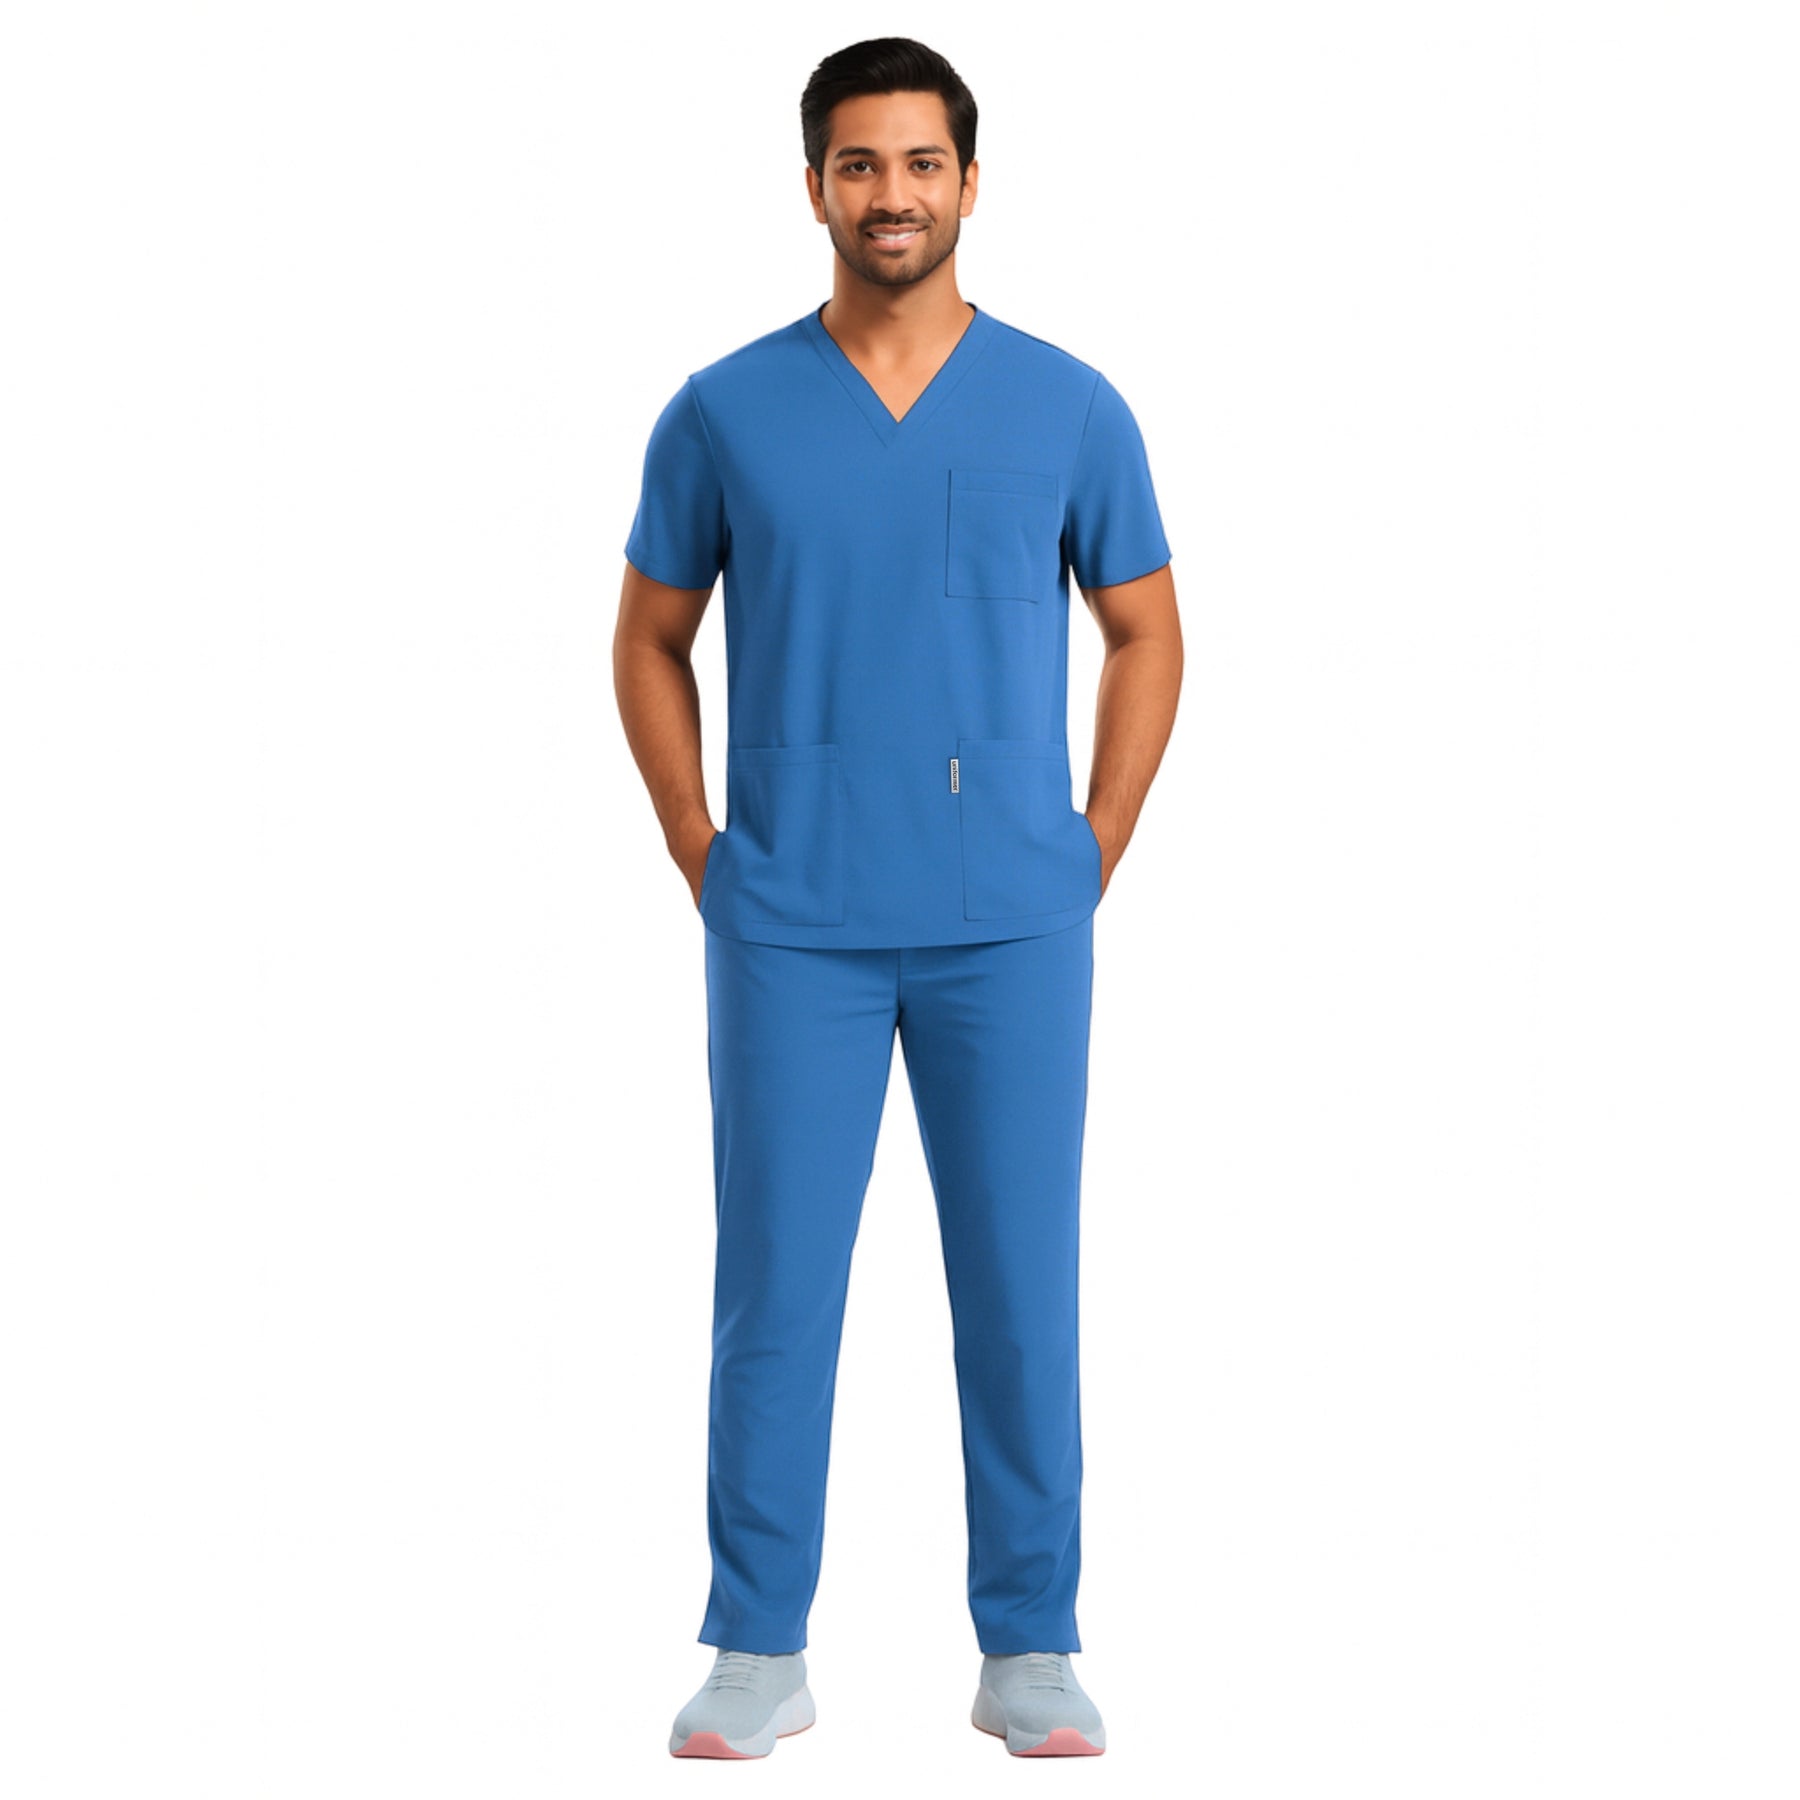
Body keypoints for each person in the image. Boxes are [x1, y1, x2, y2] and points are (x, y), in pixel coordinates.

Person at [614, 35, 1182, 1760]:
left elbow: (1146, 629)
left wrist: (1091, 845)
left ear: (971, 183)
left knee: (1020, 1283)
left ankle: (1031, 1642)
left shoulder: (1068, 406)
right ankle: (757, 1647)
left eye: (921, 162)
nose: (892, 193)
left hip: (1013, 921)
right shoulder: (724, 410)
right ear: (813, 187)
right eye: (858, 163)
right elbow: (649, 638)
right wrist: (700, 846)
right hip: (793, 921)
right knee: (776, 1289)